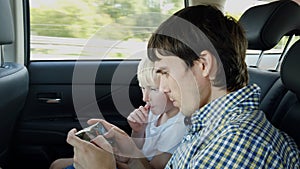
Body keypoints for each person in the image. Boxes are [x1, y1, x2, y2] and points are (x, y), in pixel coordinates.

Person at [66, 4, 300, 169]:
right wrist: (134, 153)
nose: (163, 88)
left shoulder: (236, 145)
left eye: (165, 73)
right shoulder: (210, 124)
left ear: (204, 65)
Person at [50, 58, 186, 169]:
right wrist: (138, 130)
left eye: (154, 90)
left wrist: (111, 162)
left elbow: (154, 167)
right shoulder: (155, 112)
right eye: (142, 88)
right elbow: (136, 147)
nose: (145, 98)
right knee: (56, 164)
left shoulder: (179, 126)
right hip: (133, 161)